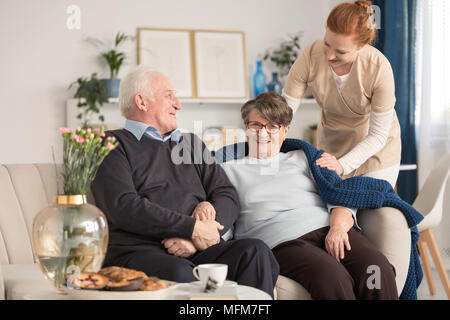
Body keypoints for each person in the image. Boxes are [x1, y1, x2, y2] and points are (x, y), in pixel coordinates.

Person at [90, 66, 279, 298]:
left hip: (196, 249)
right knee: (180, 275)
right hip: (140, 251)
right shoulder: (109, 144)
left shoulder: (189, 144)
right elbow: (124, 206)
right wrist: (191, 228)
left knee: (255, 251)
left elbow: (226, 194)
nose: (178, 104)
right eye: (169, 96)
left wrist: (200, 237)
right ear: (141, 102)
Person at [220, 92, 398, 300]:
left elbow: (338, 192)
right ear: (246, 128)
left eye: (272, 126)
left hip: (327, 229)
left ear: (285, 131)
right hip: (281, 241)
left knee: (376, 268)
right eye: (256, 125)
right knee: (332, 277)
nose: (263, 133)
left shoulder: (302, 157)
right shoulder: (227, 170)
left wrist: (338, 227)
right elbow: (222, 215)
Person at [282, 0, 401, 188]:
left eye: (341, 51)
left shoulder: (378, 68)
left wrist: (342, 165)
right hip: (332, 145)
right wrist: (270, 133)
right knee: (330, 206)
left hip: (375, 151)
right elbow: (285, 108)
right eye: (327, 44)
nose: (329, 56)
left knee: (366, 209)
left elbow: (378, 135)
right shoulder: (311, 56)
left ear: (361, 46)